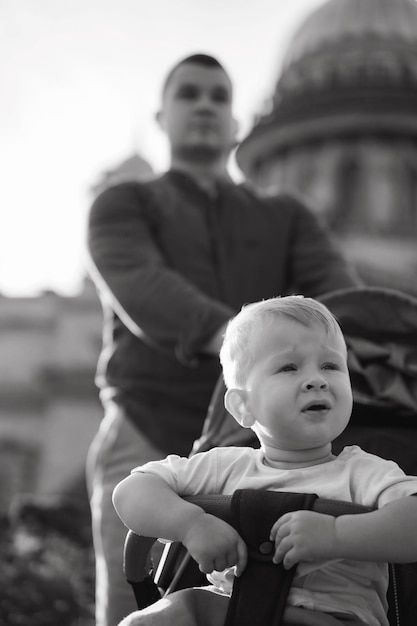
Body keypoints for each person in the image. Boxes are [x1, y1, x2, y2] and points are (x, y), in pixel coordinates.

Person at [86, 52, 360, 626]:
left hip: (268, 446)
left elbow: (342, 303)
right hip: (147, 428)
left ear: (236, 123)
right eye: (189, 94)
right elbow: (143, 286)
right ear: (162, 117)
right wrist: (253, 349)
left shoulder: (287, 215)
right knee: (131, 604)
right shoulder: (122, 202)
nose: (206, 105)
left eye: (219, 95)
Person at [113, 296, 417, 626]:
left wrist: (337, 535)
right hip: (233, 607)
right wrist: (190, 523)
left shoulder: (365, 474)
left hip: (332, 617)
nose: (318, 379)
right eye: (289, 367)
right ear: (242, 407)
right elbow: (132, 491)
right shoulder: (221, 467)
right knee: (161, 616)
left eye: (331, 366)